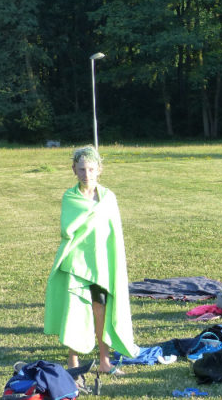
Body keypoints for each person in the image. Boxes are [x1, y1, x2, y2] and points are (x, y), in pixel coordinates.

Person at [44, 146, 138, 376]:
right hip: (77, 263)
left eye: (91, 169)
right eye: (82, 169)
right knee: (75, 310)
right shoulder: (70, 197)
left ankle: (105, 361)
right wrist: (89, 210)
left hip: (101, 263)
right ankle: (73, 362)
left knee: (100, 309)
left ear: (99, 170)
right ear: (74, 170)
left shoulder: (108, 198)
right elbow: (67, 229)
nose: (87, 174)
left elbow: (114, 233)